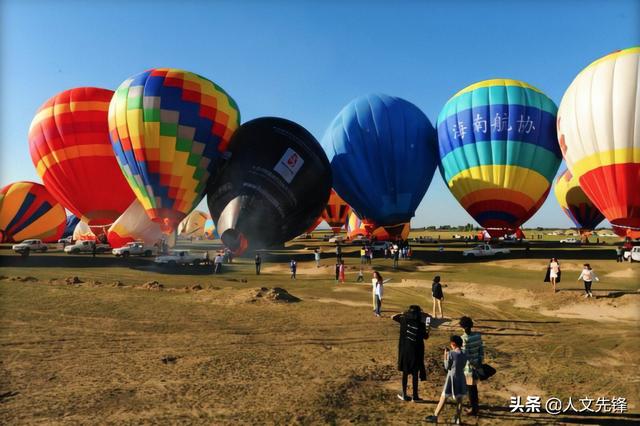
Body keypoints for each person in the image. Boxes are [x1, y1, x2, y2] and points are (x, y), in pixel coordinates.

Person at [425, 335, 467, 424]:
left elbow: (447, 367)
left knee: (443, 397)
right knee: (459, 400)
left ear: (453, 344)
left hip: (451, 377)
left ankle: (435, 416)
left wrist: (445, 356)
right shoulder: (465, 353)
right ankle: (458, 419)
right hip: (461, 377)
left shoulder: (451, 353)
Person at [392, 305, 429, 402]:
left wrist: (403, 313)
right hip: (416, 351)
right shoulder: (420, 324)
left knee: (405, 373)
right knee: (415, 373)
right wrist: (428, 327)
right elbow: (426, 337)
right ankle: (415, 396)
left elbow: (393, 317)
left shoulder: (403, 320)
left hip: (405, 351)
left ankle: (404, 394)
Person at [460, 316, 484, 416]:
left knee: (471, 389)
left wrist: (473, 365)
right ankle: (474, 405)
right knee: (473, 388)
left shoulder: (463, 338)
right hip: (478, 365)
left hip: (469, 368)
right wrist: (479, 362)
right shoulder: (478, 336)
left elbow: (466, 355)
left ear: (462, 327)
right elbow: (481, 351)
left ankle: (474, 409)